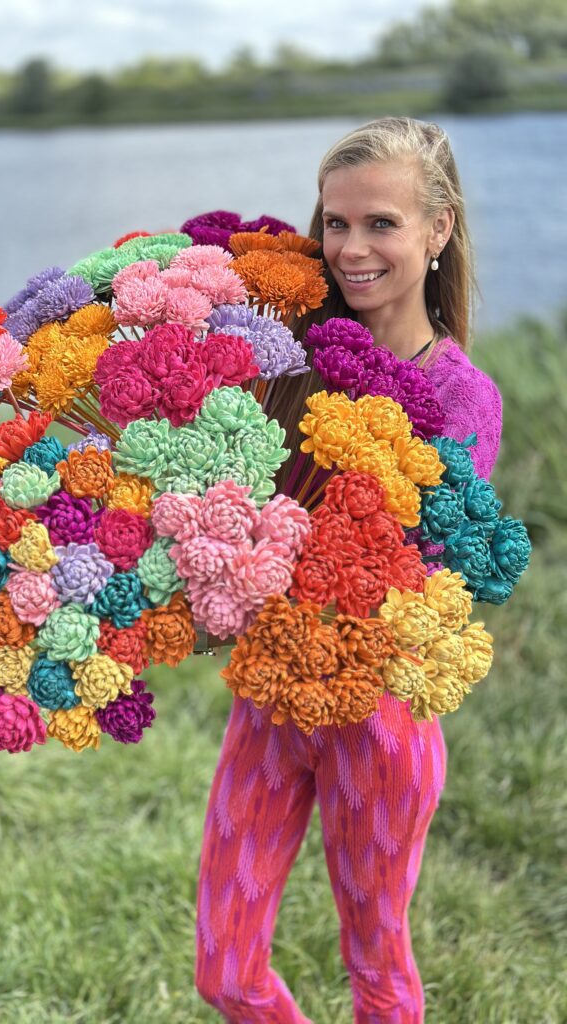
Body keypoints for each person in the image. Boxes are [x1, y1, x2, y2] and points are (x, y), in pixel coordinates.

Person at [194, 117, 502, 1023]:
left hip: (376, 715)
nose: (352, 248)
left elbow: (419, 567)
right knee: (225, 972)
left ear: (438, 230)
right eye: (336, 223)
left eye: (381, 224)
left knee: (377, 968)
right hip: (269, 697)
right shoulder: (291, 354)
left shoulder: (458, 395)